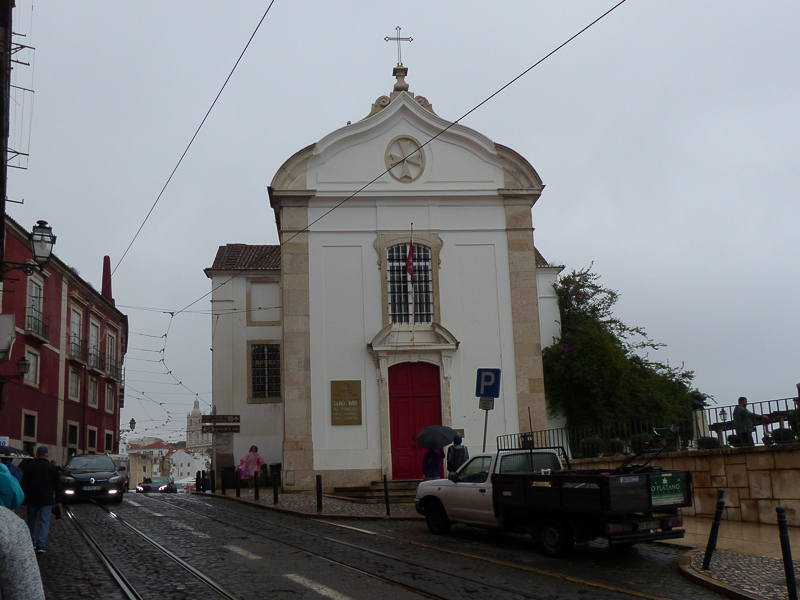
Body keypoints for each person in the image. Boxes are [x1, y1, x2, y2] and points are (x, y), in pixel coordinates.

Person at [21, 446, 62, 554]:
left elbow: (24, 485)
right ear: (47, 455)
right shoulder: (53, 468)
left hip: (31, 499)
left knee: (31, 521)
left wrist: (23, 501)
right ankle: (41, 545)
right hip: (46, 500)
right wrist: (59, 501)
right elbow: (58, 485)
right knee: (44, 522)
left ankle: (31, 542)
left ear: (37, 454)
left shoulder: (30, 467)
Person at [0, 506, 45, 599]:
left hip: (35, 502)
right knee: (44, 521)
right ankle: (40, 543)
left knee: (34, 520)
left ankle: (36, 541)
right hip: (44, 501)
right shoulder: (9, 523)